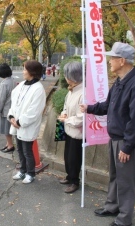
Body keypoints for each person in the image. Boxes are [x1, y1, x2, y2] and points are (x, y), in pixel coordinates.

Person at [80, 42, 135, 226]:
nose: (109, 62)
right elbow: (107, 105)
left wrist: (128, 146)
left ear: (122, 61)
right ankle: (112, 206)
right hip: (115, 138)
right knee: (115, 175)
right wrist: (89, 108)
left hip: (126, 141)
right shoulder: (121, 81)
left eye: (112, 58)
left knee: (126, 180)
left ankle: (124, 218)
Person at [8, 60, 46, 184]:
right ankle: (22, 170)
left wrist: (19, 122)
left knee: (27, 151)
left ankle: (31, 173)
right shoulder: (22, 84)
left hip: (26, 125)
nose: (23, 71)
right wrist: (12, 116)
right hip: (17, 123)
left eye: (25, 69)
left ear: (32, 72)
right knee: (19, 149)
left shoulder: (38, 89)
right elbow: (14, 101)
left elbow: (34, 111)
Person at [57, 61, 83, 193]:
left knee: (74, 158)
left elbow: (81, 117)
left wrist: (67, 119)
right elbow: (66, 107)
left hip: (78, 132)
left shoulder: (83, 93)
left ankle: (75, 181)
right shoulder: (71, 91)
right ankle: (69, 176)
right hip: (68, 129)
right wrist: (64, 114)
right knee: (67, 156)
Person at [0, 63, 16, 153]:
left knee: (6, 129)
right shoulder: (12, 80)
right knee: (9, 128)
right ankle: (8, 144)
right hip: (13, 108)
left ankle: (10, 145)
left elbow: (1, 99)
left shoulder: (4, 84)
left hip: (5, 110)